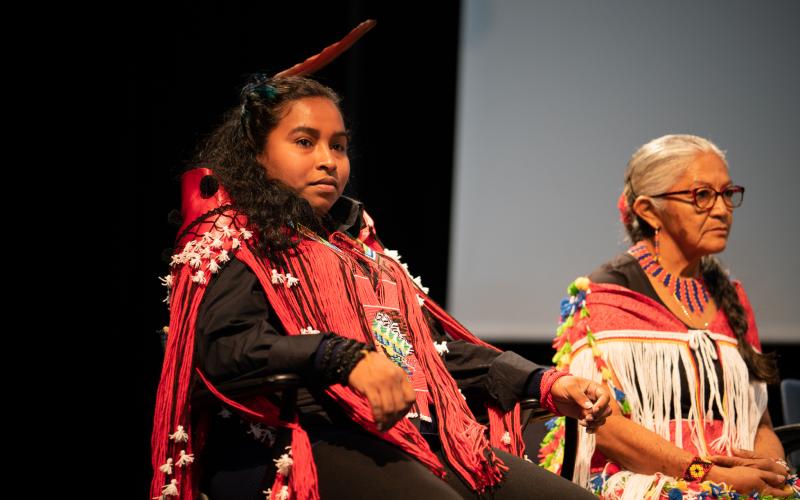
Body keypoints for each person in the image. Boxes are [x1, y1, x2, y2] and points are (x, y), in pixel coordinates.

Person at [150, 27, 611, 500]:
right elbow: (226, 349)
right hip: (307, 438)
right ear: (256, 155)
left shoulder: (363, 254)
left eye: (338, 145)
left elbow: (432, 353)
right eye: (305, 142)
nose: (329, 160)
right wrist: (342, 357)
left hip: (424, 440)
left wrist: (544, 381)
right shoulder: (233, 237)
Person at [542, 134, 798, 499]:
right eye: (703, 195)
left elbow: (760, 419)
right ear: (648, 210)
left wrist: (770, 471)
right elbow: (606, 426)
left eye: (728, 194)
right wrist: (704, 474)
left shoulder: (733, 298)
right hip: (644, 481)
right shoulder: (605, 295)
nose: (723, 209)